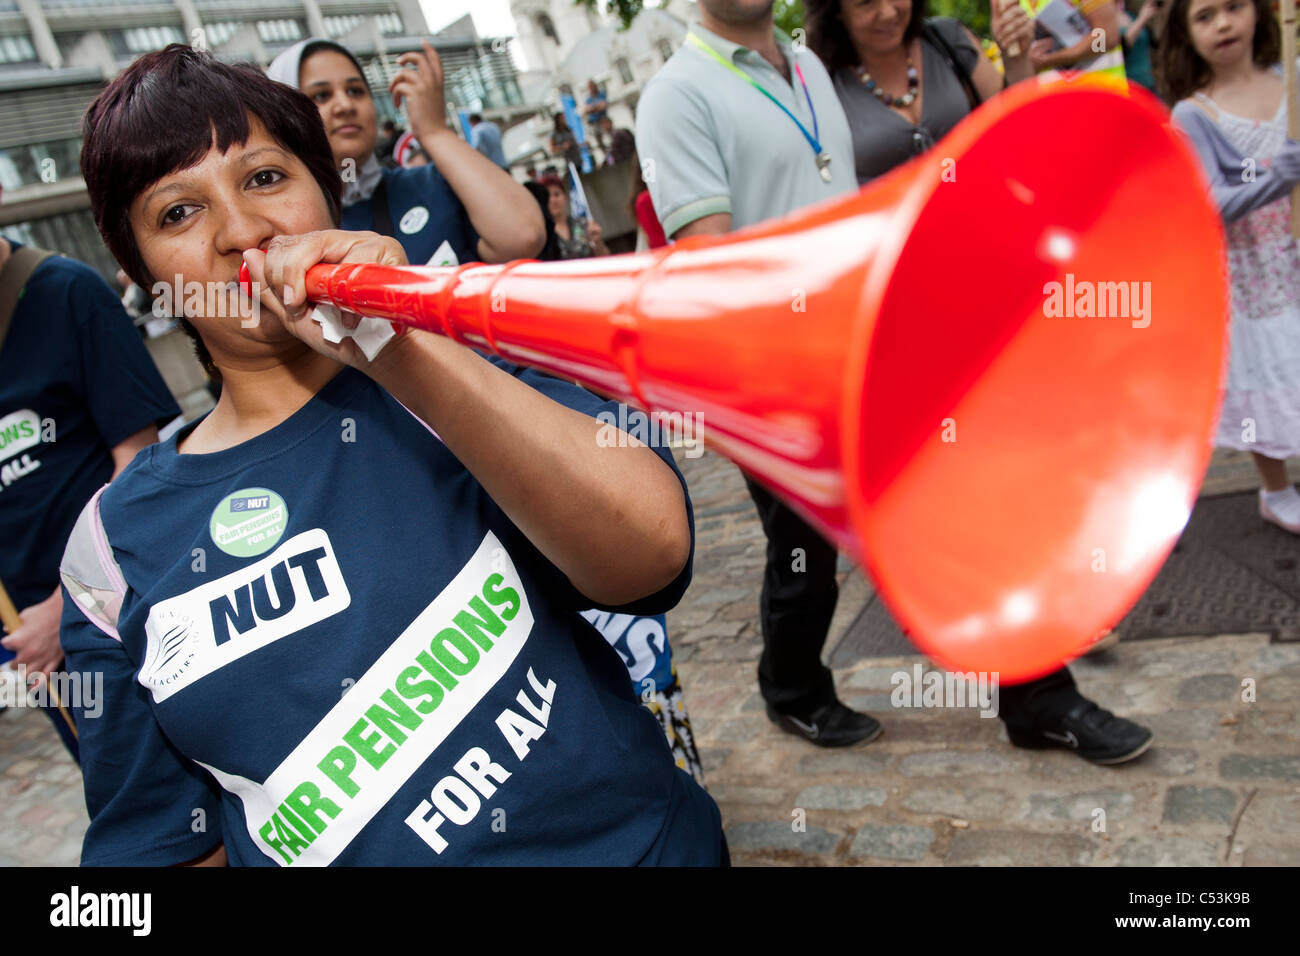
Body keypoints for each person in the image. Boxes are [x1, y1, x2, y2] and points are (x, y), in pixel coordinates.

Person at [64, 44, 725, 867]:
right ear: (147, 280)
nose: (241, 233)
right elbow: (166, 848)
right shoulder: (111, 550)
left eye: (266, 178)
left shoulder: (451, 359)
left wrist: (402, 350)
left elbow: (652, 557)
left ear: (326, 190)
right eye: (178, 213)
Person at [806, 0, 1155, 764]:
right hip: (901, 325)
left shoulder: (951, 44)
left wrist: (1021, 59)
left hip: (992, 298)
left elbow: (1012, 126)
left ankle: (1038, 665)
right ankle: (1038, 691)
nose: (886, 8)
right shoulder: (817, 82)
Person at [637, 0, 879, 747]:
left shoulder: (807, 64)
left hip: (860, 341)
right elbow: (710, 259)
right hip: (771, 369)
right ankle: (793, 688)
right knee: (805, 547)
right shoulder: (676, 93)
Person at [0, 186, 179, 761]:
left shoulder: (66, 292)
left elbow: (139, 463)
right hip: (31, 642)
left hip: (115, 617)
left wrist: (67, 607)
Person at [1164, 0, 1300, 532]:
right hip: (1253, 276)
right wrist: (1273, 178)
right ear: (1185, 33)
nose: (1223, 24)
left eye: (1233, 8)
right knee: (1262, 379)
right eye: (1204, 16)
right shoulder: (1195, 114)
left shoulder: (1289, 80)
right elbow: (1208, 202)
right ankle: (1275, 487)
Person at [268, 38, 543, 268]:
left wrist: (434, 131)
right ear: (286, 115)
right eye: (321, 96)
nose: (345, 105)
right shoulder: (283, 226)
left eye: (355, 90)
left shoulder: (432, 184)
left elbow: (524, 236)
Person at [540, 173, 609, 259]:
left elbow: (604, 257)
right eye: (547, 196)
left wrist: (598, 242)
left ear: (565, 196)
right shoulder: (543, 234)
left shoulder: (582, 223)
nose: (553, 200)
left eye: (557, 194)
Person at [583, 80, 610, 150]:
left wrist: (592, 108)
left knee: (609, 139)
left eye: (592, 86)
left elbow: (603, 105)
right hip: (594, 123)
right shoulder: (588, 99)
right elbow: (586, 110)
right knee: (600, 143)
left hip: (603, 120)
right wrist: (596, 107)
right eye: (589, 87)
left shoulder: (601, 94)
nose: (591, 88)